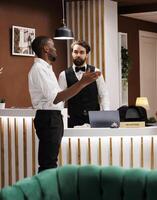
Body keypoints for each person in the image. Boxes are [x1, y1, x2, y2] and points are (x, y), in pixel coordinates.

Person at [28, 36, 100, 173]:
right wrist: (82, 83)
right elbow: (56, 98)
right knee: (48, 164)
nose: (56, 49)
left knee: (50, 162)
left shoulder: (45, 68)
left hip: (53, 117)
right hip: (48, 118)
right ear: (46, 49)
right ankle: (46, 194)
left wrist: (82, 83)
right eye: (53, 46)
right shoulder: (39, 69)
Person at [58, 40, 109, 128]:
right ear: (72, 54)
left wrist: (105, 115)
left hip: (94, 119)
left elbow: (103, 95)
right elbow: (60, 99)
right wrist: (61, 117)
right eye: (75, 52)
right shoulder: (63, 75)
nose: (78, 55)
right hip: (73, 120)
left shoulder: (96, 72)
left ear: (87, 55)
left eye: (82, 52)